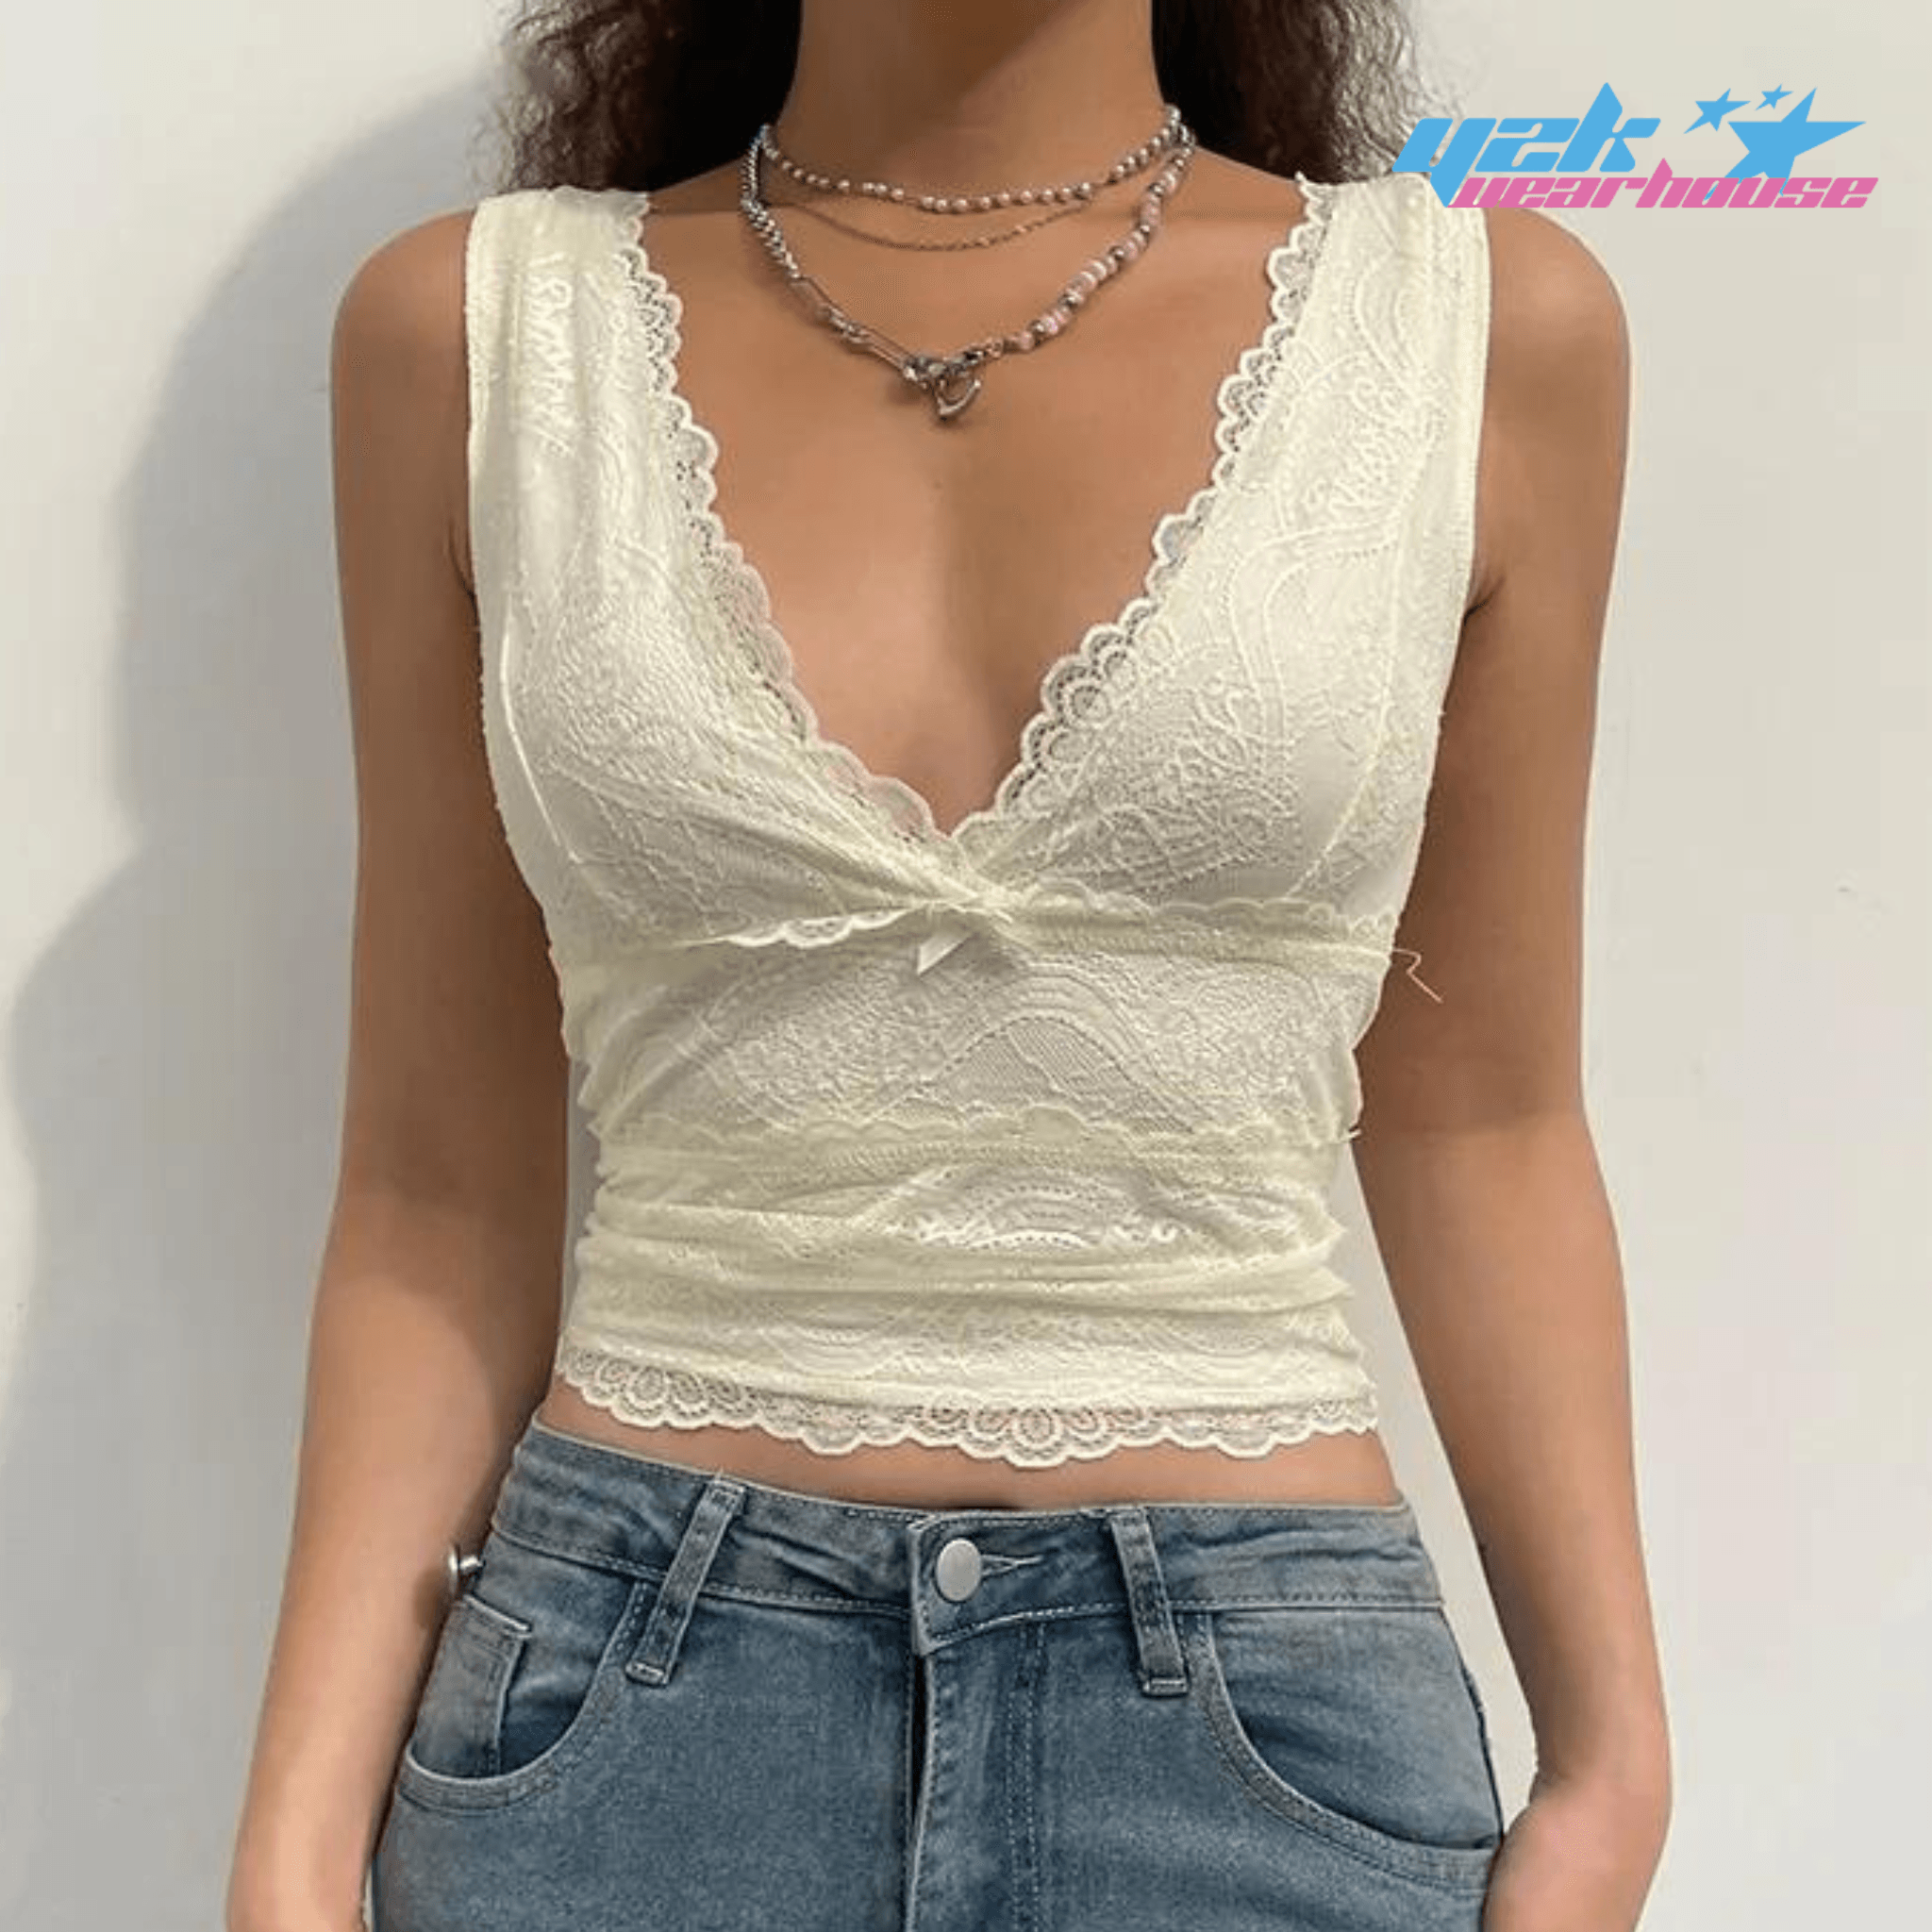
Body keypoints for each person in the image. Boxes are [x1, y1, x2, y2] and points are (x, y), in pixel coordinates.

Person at [226, 3, 1672, 1927]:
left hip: (1264, 1736)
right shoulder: (480, 340)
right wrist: (291, 1848)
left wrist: (1612, 1766)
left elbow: (1483, 1116)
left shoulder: (1474, 331)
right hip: (620, 1742)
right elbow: (435, 1184)